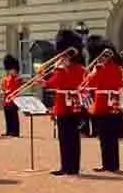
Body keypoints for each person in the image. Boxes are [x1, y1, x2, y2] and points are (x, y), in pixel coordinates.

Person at [45, 29, 87, 176]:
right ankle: (73, 166)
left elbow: (54, 83)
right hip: (74, 105)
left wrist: (45, 80)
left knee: (65, 137)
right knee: (74, 137)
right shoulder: (81, 68)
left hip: (63, 104)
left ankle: (66, 167)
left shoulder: (62, 69)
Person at [84, 37, 123, 173]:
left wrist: (94, 70)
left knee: (104, 137)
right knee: (112, 136)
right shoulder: (118, 69)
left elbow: (90, 82)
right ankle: (114, 164)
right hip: (113, 102)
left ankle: (107, 164)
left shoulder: (99, 68)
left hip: (102, 102)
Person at [0, 55, 23, 137]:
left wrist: (8, 91)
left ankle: (15, 132)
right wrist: (3, 91)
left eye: (11, 69)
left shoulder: (18, 78)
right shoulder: (7, 78)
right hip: (7, 99)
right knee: (7, 116)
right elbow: (5, 86)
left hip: (13, 99)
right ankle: (9, 130)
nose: (10, 71)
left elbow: (16, 88)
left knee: (14, 116)